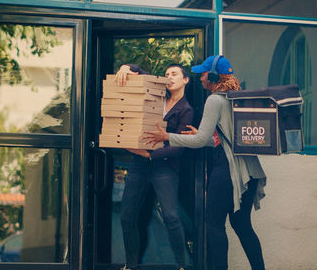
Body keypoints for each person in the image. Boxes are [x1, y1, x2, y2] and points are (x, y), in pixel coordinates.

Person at [143, 55, 267, 270]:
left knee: (214, 225)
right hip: (248, 173)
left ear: (212, 76)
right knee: (242, 225)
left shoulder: (215, 100)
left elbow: (200, 141)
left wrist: (167, 137)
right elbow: (222, 140)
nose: (200, 79)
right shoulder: (234, 97)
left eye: (202, 74)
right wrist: (200, 136)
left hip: (227, 172)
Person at [114, 63, 193, 270]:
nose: (169, 77)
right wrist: (126, 67)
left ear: (186, 80)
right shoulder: (156, 96)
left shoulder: (186, 110)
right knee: (127, 215)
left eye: (174, 74)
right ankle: (130, 265)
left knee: (171, 216)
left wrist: (150, 154)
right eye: (167, 74)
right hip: (140, 165)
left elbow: (179, 146)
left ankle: (181, 265)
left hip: (164, 167)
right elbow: (142, 75)